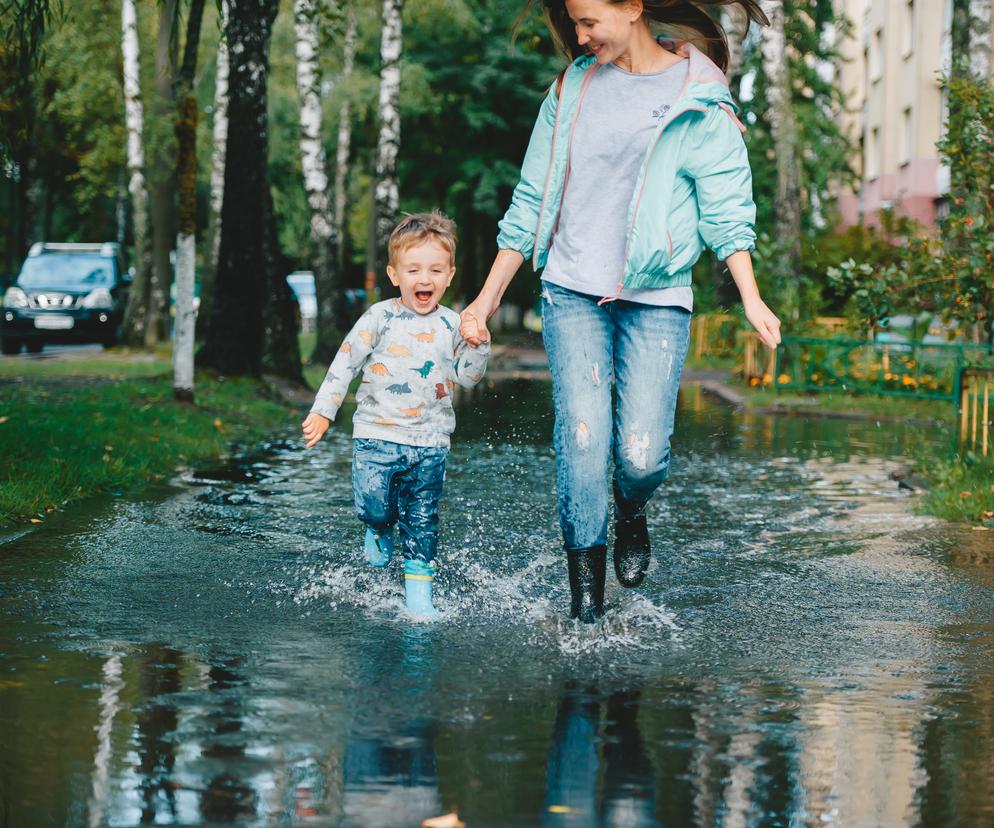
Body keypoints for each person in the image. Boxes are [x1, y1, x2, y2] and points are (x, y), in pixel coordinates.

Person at [459, 0, 781, 623]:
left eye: (587, 23)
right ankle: (586, 606)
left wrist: (751, 295)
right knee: (582, 439)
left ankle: (630, 508)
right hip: (572, 290)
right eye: (574, 24)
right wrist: (487, 297)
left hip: (657, 298)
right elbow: (531, 199)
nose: (578, 37)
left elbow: (725, 206)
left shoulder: (699, 99)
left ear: (632, 8)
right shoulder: (571, 89)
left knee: (641, 457)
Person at [303, 212, 490, 617]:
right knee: (376, 505)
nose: (425, 279)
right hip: (377, 437)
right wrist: (324, 411)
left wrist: (479, 346)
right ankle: (377, 526)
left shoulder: (454, 324)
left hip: (430, 443)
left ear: (450, 275)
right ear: (394, 274)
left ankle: (419, 602)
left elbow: (469, 378)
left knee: (423, 521)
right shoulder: (379, 318)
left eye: (435, 270)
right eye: (414, 269)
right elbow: (345, 363)